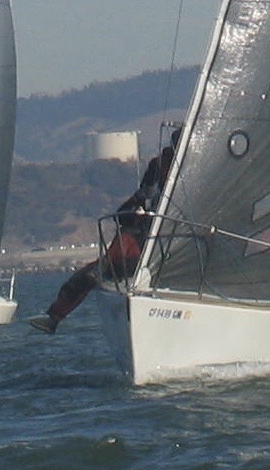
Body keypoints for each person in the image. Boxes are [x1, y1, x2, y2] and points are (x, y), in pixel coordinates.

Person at [30, 126, 180, 333]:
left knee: (94, 274)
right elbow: (140, 198)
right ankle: (54, 317)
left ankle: (55, 317)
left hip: (159, 250)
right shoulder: (161, 167)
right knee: (94, 273)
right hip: (150, 249)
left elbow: (136, 202)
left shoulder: (168, 167)